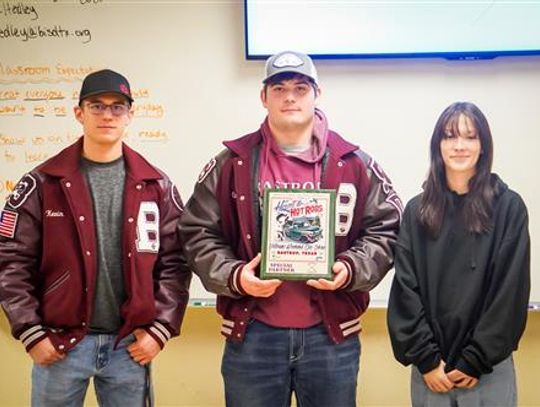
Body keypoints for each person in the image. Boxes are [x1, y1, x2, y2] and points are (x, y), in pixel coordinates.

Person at [179, 51, 402, 407]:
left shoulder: (354, 162)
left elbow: (387, 229)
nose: (290, 96)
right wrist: (236, 276)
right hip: (253, 335)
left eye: (301, 87)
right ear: (263, 97)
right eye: (279, 87)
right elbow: (196, 232)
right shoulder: (230, 163)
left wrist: (350, 268)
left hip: (330, 337)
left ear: (317, 94)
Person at [0, 69, 191, 406]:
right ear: (79, 113)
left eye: (118, 106)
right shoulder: (43, 183)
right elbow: (11, 259)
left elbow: (175, 263)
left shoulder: (156, 185)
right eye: (97, 106)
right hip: (59, 344)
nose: (107, 114)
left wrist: (160, 330)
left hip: (129, 346)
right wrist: (30, 332)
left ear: (130, 115)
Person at [387, 102, 530, 407]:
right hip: (431, 371)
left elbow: (510, 291)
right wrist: (426, 359)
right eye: (450, 136)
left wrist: (475, 359)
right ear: (438, 145)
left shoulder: (508, 208)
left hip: (488, 369)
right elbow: (405, 290)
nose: (460, 146)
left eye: (470, 137)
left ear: (484, 146)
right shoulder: (417, 211)